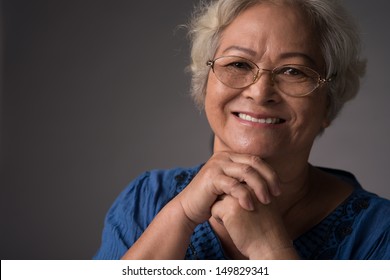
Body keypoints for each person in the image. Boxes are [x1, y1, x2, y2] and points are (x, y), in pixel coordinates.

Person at [94, 0, 390, 260]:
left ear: (329, 102)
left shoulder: (379, 232)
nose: (260, 93)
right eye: (238, 64)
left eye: (293, 71)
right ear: (205, 84)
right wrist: (180, 216)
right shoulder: (145, 199)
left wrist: (270, 251)